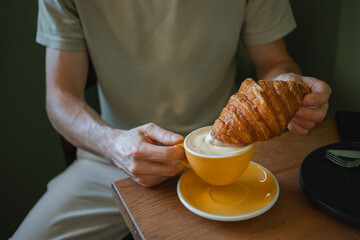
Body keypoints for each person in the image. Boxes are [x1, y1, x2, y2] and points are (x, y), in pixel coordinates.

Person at [12, 0, 331, 239]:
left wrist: (284, 88)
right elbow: (60, 97)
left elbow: (274, 61)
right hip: (112, 159)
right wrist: (113, 144)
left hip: (231, 157)